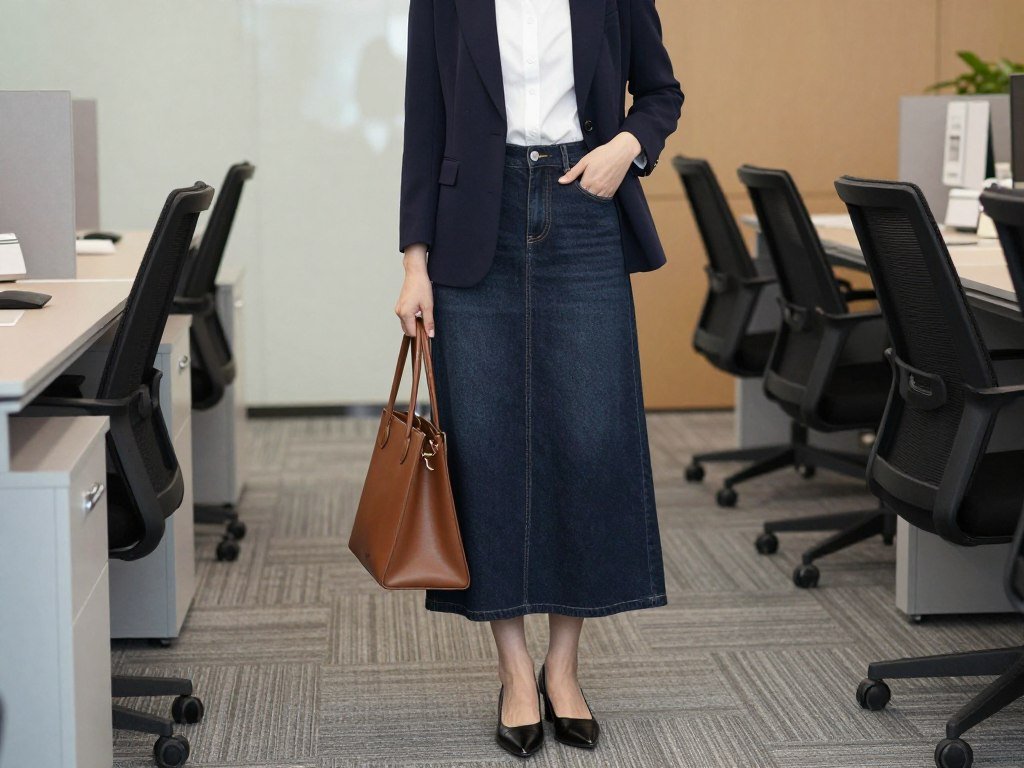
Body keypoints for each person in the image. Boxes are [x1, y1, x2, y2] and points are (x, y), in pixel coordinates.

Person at [394, 0, 683, 757]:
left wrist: (629, 143)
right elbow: (424, 119)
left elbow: (661, 94)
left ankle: (565, 666)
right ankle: (515, 672)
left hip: (582, 206)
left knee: (587, 441)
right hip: (472, 227)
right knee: (487, 449)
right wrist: (413, 263)